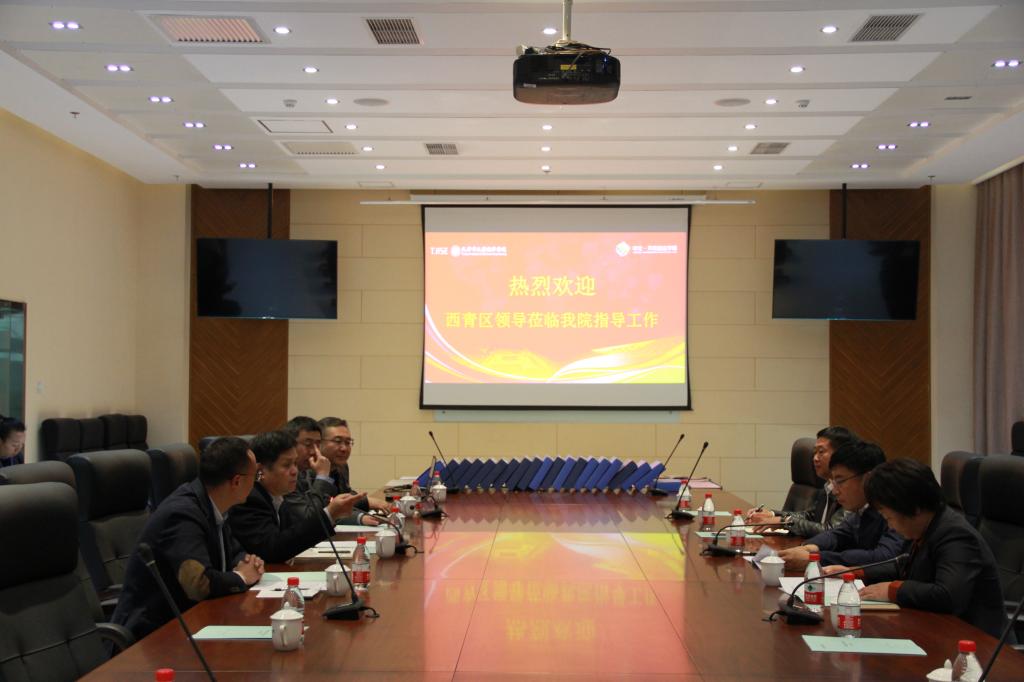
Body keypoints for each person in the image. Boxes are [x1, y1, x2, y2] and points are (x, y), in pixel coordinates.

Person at [826, 458, 1010, 639]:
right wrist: (856, 573)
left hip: (976, 642)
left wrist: (893, 590)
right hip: (935, 630)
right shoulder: (923, 527)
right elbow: (902, 566)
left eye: (889, 518)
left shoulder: (956, 535)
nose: (890, 526)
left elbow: (948, 596)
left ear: (914, 508)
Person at [113, 437, 266, 640]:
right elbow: (197, 584)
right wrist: (242, 577)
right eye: (256, 476)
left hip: (195, 621)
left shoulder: (214, 505)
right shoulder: (182, 514)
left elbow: (233, 551)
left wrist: (248, 562)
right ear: (236, 481)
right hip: (154, 635)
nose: (256, 482)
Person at [228, 430, 365, 563]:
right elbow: (272, 549)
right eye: (286, 465)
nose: (295, 471)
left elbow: (295, 531)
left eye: (295, 463)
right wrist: (329, 514)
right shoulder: (250, 499)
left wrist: (333, 514)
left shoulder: (277, 495)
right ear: (260, 470)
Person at [777, 440, 908, 570]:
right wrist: (808, 548)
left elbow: (884, 557)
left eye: (840, 481)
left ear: (867, 479)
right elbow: (837, 534)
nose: (835, 491)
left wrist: (816, 558)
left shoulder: (894, 507)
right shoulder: (863, 507)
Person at [747, 426, 858, 536]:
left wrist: (784, 522)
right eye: (814, 452)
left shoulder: (850, 490)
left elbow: (831, 530)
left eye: (821, 452)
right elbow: (810, 516)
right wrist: (772, 515)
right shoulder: (828, 485)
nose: (815, 458)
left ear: (841, 453)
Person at [319, 416, 389, 515]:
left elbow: (344, 496)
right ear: (318, 443)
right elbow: (324, 508)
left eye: (348, 442)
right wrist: (361, 515)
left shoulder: (342, 466)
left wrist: (366, 501)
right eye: (337, 441)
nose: (344, 448)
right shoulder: (307, 471)